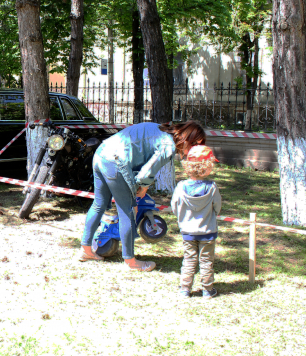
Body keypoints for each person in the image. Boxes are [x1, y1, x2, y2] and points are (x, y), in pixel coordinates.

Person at [79, 120, 206, 271]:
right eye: (196, 146)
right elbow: (146, 173)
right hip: (114, 161)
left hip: (101, 153)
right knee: (128, 211)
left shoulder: (162, 129)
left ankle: (86, 250)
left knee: (98, 204)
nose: (192, 152)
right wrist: (143, 188)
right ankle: (131, 262)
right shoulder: (168, 146)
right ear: (191, 140)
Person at [171, 145, 222, 299]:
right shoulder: (212, 187)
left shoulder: (180, 187)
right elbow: (217, 207)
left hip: (188, 232)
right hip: (208, 232)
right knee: (206, 261)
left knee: (189, 259)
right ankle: (207, 290)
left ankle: (185, 289)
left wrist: (182, 218)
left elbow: (174, 206)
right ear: (207, 167)